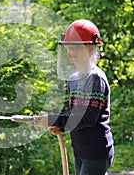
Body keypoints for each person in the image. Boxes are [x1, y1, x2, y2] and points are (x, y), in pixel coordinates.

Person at [35, 19, 114, 175]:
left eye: (77, 47)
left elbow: (87, 118)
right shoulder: (74, 78)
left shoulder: (95, 79)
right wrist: (61, 125)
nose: (71, 51)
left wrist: (53, 119)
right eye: (69, 47)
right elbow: (74, 116)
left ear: (91, 48)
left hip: (96, 152)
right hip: (80, 150)